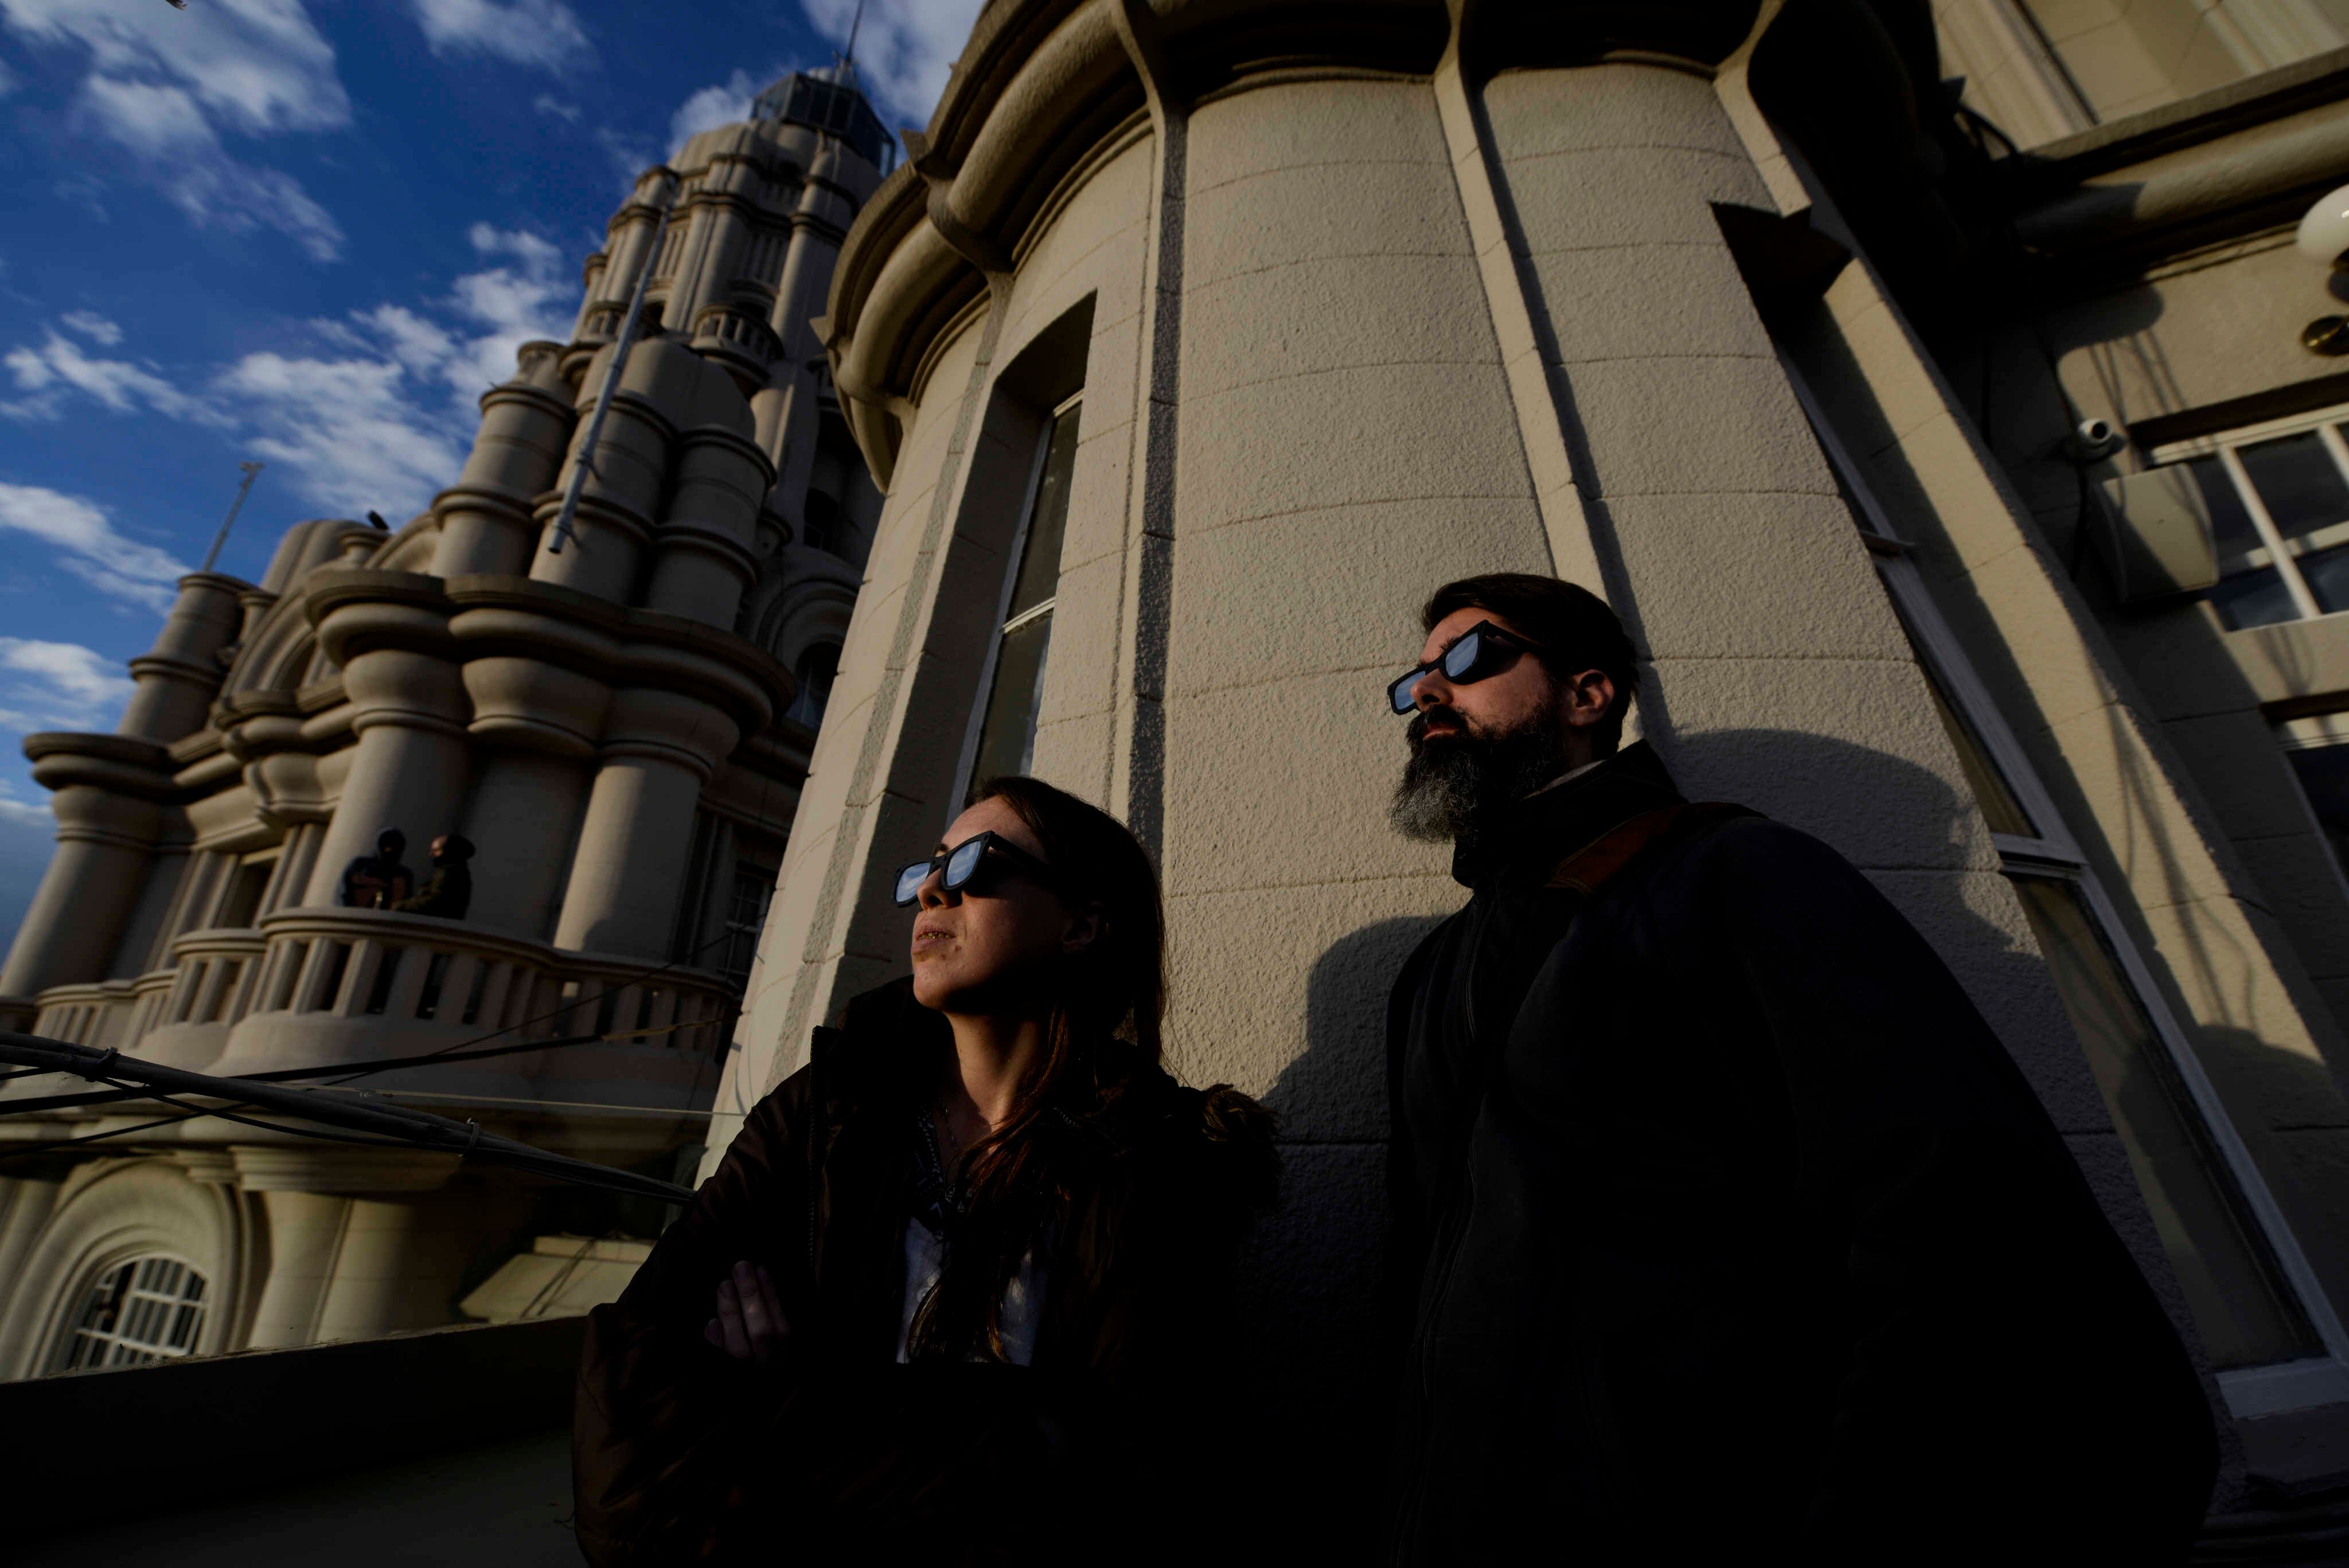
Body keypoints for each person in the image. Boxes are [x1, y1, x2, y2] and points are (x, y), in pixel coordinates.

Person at [1379, 573, 2217, 1562]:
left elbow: (1965, 1227)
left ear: (1586, 694)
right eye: (1415, 678)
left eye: (1472, 658)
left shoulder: (1733, 873)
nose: (1429, 690)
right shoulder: (1430, 973)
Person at [572, 775, 1276, 1565]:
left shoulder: (1155, 1159)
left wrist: (789, 1403)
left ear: (1080, 923)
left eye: (976, 863)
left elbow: (1140, 1476)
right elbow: (628, 1375)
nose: (932, 890)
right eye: (929, 866)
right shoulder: (825, 1111)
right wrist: (997, 1436)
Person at [392, 833, 474, 919]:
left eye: (436, 850)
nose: (431, 854)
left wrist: (398, 906)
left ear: (449, 852)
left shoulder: (450, 873)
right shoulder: (455, 872)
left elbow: (433, 903)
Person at [335, 827, 413, 910]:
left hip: (387, 919)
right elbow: (344, 892)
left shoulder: (404, 875)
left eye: (396, 845)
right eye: (387, 844)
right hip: (354, 916)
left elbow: (407, 903)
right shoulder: (359, 865)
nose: (390, 849)